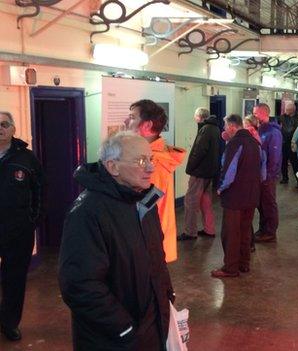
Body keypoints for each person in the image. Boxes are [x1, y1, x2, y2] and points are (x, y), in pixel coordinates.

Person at [59, 132, 174, 350]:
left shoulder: (144, 202)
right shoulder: (88, 212)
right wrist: (124, 328)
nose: (150, 168)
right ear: (113, 167)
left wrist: (166, 293)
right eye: (141, 161)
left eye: (151, 159)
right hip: (114, 338)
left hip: (150, 324)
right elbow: (79, 284)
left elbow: (155, 258)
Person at [0, 111, 43, 341]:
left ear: (13, 129)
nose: (0, 128)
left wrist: (32, 220)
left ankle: (9, 322)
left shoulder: (26, 158)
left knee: (14, 278)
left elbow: (40, 190)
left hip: (18, 231)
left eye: (4, 124)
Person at [125, 99, 186, 261]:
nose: (126, 121)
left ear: (146, 126)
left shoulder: (154, 164)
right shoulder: (149, 157)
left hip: (148, 244)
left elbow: (145, 209)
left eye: (131, 117)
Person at [211, 114, 262, 278]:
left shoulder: (235, 143)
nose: (225, 130)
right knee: (245, 231)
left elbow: (229, 170)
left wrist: (220, 187)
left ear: (232, 126)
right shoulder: (255, 143)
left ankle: (231, 268)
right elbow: (263, 169)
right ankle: (244, 263)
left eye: (226, 127)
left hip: (235, 197)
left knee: (231, 233)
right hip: (252, 195)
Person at [179, 107, 221, 241]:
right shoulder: (215, 128)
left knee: (190, 201)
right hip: (210, 172)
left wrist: (189, 168)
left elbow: (198, 151)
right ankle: (209, 229)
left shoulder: (205, 129)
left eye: (195, 116)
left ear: (199, 116)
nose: (194, 118)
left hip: (200, 172)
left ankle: (190, 232)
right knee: (206, 201)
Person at [253, 103, 282, 243]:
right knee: (261, 204)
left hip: (268, 176)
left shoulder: (273, 132)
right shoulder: (261, 130)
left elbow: (274, 157)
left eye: (256, 113)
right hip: (260, 175)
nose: (254, 116)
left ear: (264, 113)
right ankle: (262, 229)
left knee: (268, 203)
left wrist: (268, 175)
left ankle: (270, 232)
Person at [277, 101, 298, 185]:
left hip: (293, 143)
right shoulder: (282, 117)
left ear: (293, 109)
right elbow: (279, 126)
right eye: (286, 109)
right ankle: (285, 178)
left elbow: (295, 130)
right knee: (283, 162)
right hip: (284, 143)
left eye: (288, 109)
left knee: (295, 163)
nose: (286, 110)